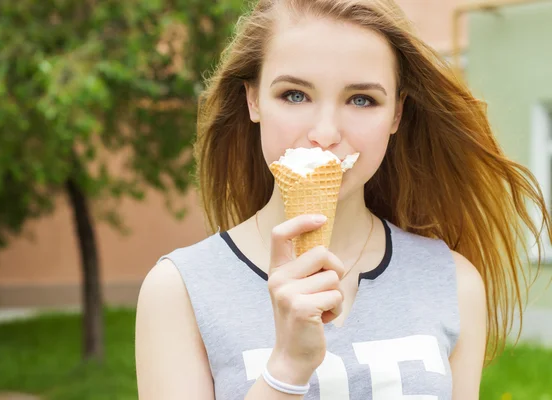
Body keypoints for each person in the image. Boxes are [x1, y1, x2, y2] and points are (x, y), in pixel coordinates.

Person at [135, 0, 551, 399]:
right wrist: (287, 369)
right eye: (295, 95)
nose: (326, 130)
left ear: (396, 115)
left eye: (361, 99)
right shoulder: (180, 291)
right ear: (253, 99)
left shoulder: (453, 282)